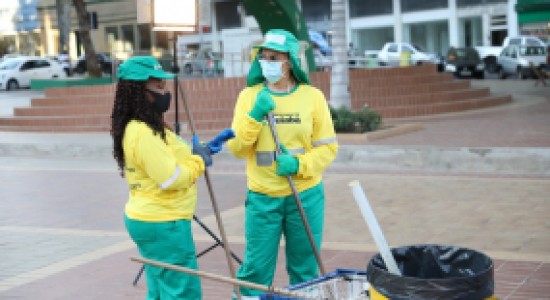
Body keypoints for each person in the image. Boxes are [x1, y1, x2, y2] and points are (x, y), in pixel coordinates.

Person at [110, 56, 234, 299]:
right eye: (157, 87)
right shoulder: (142, 132)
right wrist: (199, 161)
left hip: (155, 221)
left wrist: (203, 150)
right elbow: (171, 178)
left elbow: (171, 158)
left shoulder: (148, 126)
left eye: (164, 86)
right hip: (163, 223)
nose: (164, 93)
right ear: (138, 91)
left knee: (161, 289)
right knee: (181, 292)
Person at [227, 29, 338, 298]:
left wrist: (299, 164)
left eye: (274, 57)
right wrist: (255, 115)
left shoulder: (313, 97)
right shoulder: (249, 97)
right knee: (255, 269)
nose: (268, 62)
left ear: (291, 61)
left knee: (305, 268)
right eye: (264, 57)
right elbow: (238, 148)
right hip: (263, 197)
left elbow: (328, 149)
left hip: (305, 195)